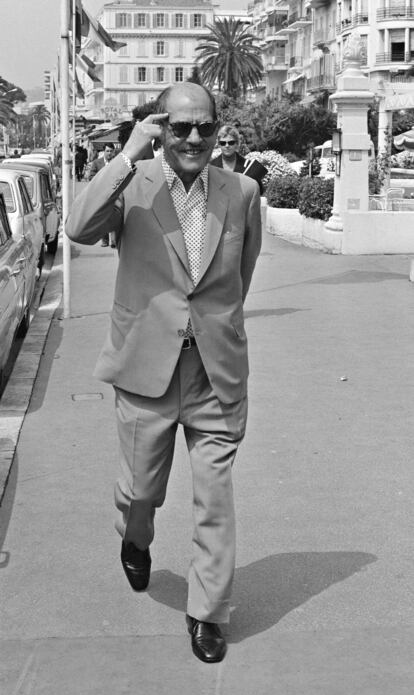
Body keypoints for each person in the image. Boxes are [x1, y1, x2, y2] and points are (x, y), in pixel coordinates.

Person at [66, 83, 262, 664]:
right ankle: (135, 534)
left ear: (217, 129)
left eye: (204, 127)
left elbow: (237, 279)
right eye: (179, 128)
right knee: (141, 490)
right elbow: (77, 227)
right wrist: (128, 154)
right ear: (159, 127)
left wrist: (210, 330)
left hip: (214, 374)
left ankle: (207, 612)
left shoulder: (244, 191)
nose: (194, 138)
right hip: (145, 368)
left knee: (215, 500)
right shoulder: (134, 186)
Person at [210, 124, 267, 195]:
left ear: (237, 143)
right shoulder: (211, 167)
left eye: (231, 142)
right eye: (223, 143)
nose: (227, 146)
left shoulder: (248, 166)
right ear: (218, 145)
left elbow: (259, 191)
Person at [88, 143, 116, 247]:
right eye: (107, 151)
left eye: (110, 151)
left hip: (114, 194)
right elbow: (91, 177)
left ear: (113, 152)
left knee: (113, 217)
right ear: (103, 152)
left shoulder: (116, 163)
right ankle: (104, 240)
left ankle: (114, 241)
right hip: (101, 195)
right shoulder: (97, 163)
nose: (109, 153)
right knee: (103, 218)